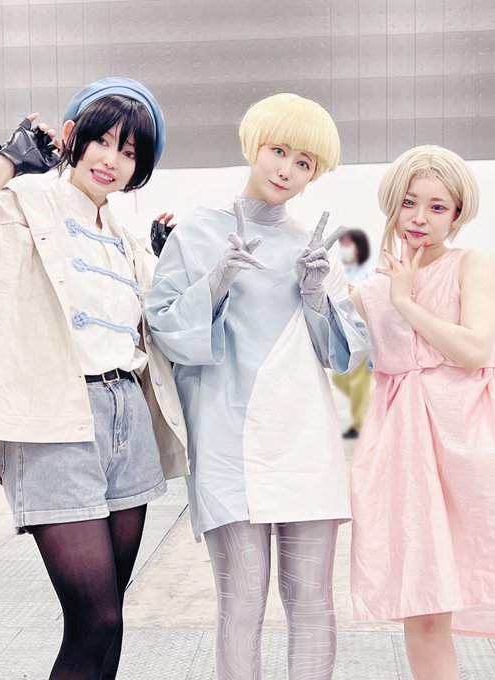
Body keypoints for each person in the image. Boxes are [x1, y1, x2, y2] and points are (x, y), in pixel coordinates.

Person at [145, 93, 370, 680]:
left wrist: (317, 296)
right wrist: (216, 281)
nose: (286, 170)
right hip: (228, 442)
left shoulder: (314, 249)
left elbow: (345, 355)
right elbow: (162, 329)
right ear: (253, 145)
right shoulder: (197, 233)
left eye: (304, 162)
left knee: (313, 603)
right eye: (278, 151)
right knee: (241, 604)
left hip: (305, 440)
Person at [0, 77, 188, 680]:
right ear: (72, 135)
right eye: (102, 140)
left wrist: (164, 260)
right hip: (56, 418)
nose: (112, 160)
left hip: (126, 417)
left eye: (129, 151)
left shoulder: (123, 235)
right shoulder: (25, 201)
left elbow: (152, 327)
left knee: (111, 619)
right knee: (93, 619)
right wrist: (7, 161)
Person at [349, 145, 495, 680]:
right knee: (425, 605)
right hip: (405, 454)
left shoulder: (471, 264)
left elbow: (476, 349)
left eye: (437, 207)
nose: (420, 217)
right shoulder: (369, 292)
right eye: (410, 202)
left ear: (457, 214)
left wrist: (407, 301)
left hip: (471, 446)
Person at [332, 229, 373, 438]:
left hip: (364, 333)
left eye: (350, 245)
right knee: (341, 379)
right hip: (346, 333)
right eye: (343, 245)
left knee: (359, 381)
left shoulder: (367, 273)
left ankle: (360, 424)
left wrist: (358, 292)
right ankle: (369, 411)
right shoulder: (338, 271)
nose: (345, 249)